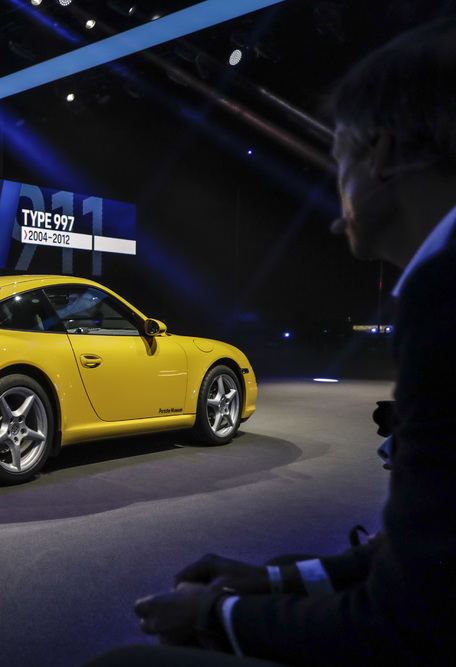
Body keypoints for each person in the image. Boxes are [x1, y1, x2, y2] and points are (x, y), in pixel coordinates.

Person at [113, 18, 456, 666]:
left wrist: (215, 615)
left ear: (380, 155)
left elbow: (407, 618)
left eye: (340, 162)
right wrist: (270, 581)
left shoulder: (443, 293)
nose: (334, 206)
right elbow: (424, 552)